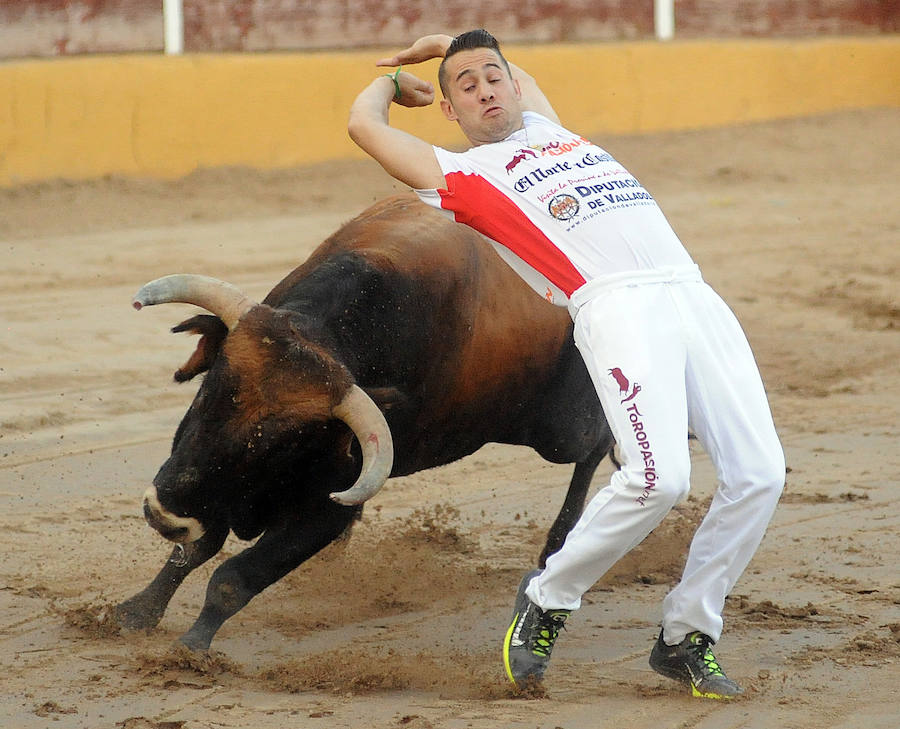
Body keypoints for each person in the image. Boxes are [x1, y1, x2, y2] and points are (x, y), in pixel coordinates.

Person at [348, 30, 785, 699]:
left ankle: (686, 635)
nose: (487, 89)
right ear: (450, 112)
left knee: (759, 474)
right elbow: (361, 125)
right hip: (615, 308)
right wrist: (396, 83)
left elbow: (506, 73)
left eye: (494, 76)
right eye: (466, 86)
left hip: (694, 294)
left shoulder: (552, 130)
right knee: (657, 479)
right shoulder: (460, 174)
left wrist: (450, 46)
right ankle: (548, 598)